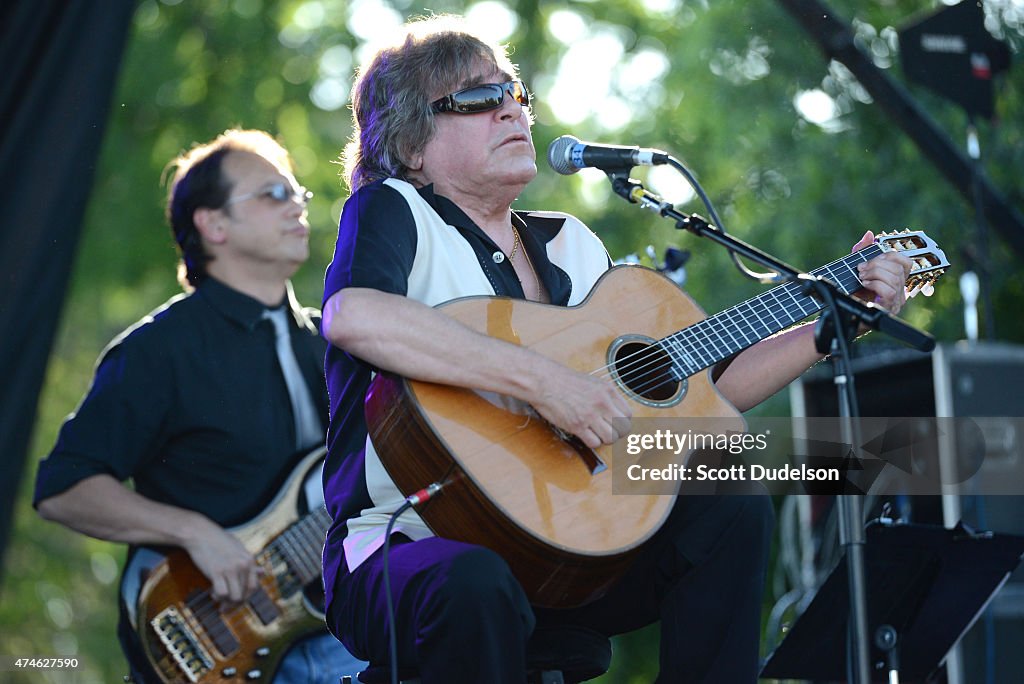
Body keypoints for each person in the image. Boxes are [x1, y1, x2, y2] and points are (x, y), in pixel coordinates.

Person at [319, 16, 913, 684]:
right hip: (407, 545)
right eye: (480, 99)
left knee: (731, 502)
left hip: (570, 551)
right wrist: (546, 383)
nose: (512, 109)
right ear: (413, 145)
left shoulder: (573, 243)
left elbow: (693, 395)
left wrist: (832, 325)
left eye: (514, 94)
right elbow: (355, 315)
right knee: (474, 582)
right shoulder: (393, 208)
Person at [34, 129, 364, 683]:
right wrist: (194, 532)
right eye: (272, 194)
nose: (297, 206)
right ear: (214, 226)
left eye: (297, 193)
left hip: (334, 630)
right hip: (213, 637)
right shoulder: (157, 351)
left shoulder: (334, 345)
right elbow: (64, 489)